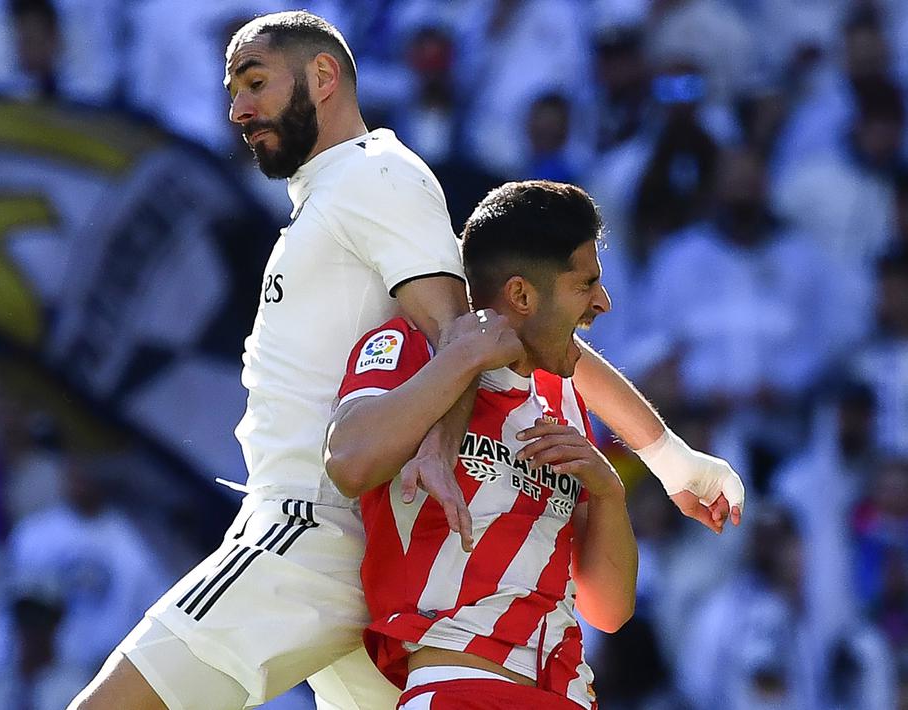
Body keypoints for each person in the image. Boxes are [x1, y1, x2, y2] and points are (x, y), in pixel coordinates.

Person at [70, 11, 743, 710]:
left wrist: (441, 446)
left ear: (322, 77)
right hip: (376, 556)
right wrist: (670, 460)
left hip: (309, 526)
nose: (238, 108)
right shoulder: (346, 191)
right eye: (233, 90)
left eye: (256, 82)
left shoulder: (374, 174)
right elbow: (515, 338)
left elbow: (464, 333)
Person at [324, 180, 635, 709]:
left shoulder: (562, 399)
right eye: (585, 284)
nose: (601, 302)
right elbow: (348, 463)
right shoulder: (412, 348)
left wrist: (608, 493)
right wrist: (467, 356)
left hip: (569, 694)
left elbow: (609, 609)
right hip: (458, 685)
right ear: (521, 295)